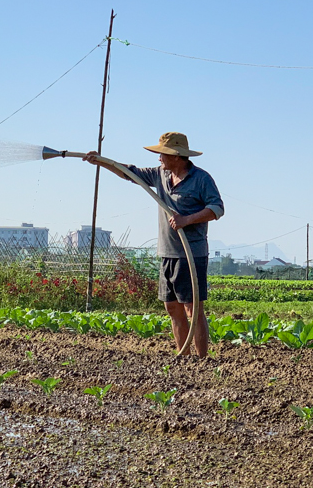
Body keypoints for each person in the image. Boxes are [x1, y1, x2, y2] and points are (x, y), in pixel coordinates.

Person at [84, 132, 223, 356]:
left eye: (162, 154)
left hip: (191, 254)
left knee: (192, 309)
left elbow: (217, 209)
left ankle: (202, 361)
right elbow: (129, 172)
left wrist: (186, 219)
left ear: (177, 156)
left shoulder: (201, 179)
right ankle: (184, 358)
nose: (159, 158)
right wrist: (102, 161)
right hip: (167, 252)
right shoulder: (160, 175)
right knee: (172, 307)